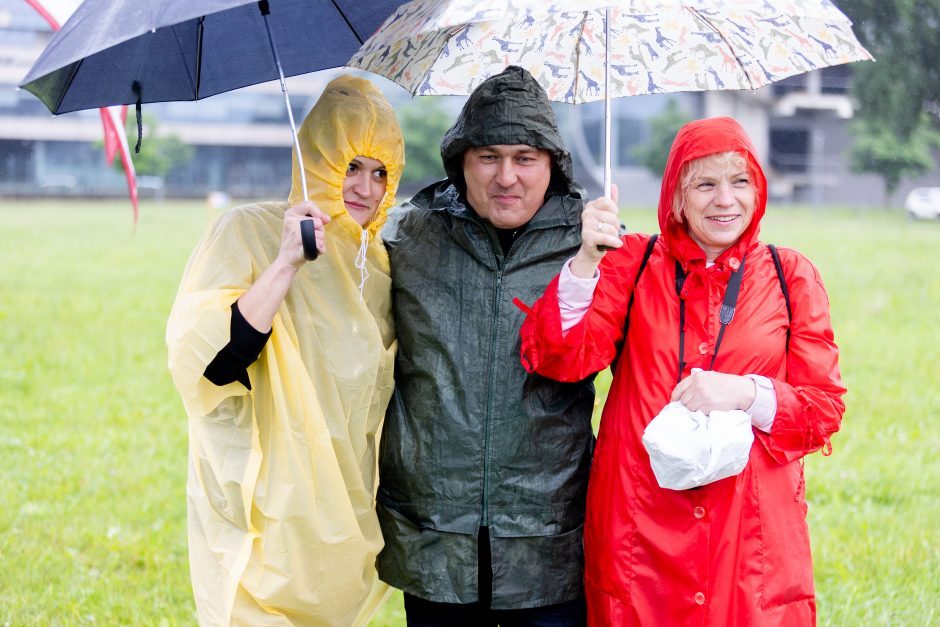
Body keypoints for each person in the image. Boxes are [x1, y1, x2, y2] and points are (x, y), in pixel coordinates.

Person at [518, 116, 846, 625]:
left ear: (759, 191)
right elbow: (560, 358)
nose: (725, 199)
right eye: (706, 183)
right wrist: (586, 260)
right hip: (638, 527)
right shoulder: (630, 262)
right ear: (675, 196)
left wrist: (745, 393)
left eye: (740, 182)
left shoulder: (791, 276)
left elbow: (821, 411)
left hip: (749, 536)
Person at [166, 74, 404, 626]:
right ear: (316, 156)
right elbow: (212, 360)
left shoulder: (381, 263)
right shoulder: (248, 231)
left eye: (380, 172)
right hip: (262, 504)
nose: (364, 188)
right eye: (349, 165)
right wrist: (284, 265)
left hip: (344, 517)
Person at [378, 66, 594, 625]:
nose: (507, 177)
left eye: (525, 158)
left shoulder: (594, 244)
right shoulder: (407, 237)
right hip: (435, 539)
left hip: (551, 538)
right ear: (460, 163)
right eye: (488, 157)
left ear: (553, 165)